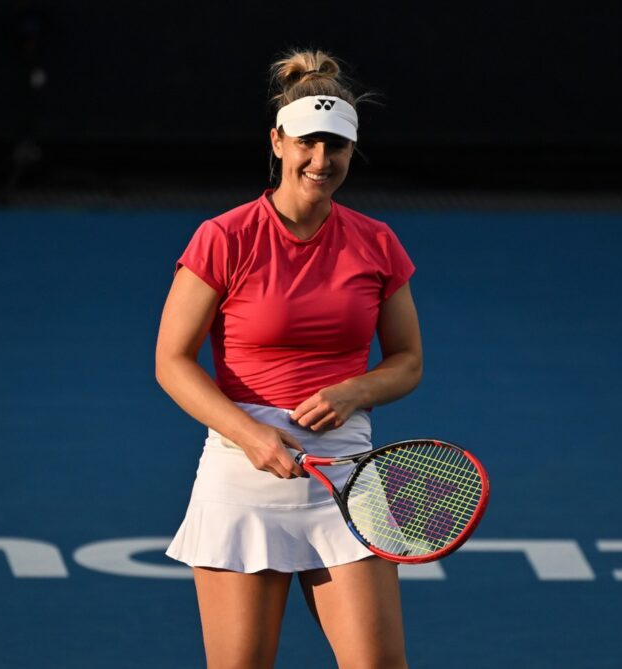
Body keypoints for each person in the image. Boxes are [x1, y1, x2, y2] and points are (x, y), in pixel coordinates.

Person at [156, 48, 422, 669]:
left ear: (353, 152)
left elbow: (407, 360)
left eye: (337, 148)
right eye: (307, 144)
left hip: (348, 474)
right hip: (244, 472)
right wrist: (252, 437)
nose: (320, 162)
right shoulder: (224, 238)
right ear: (277, 141)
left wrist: (354, 391)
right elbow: (172, 360)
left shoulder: (377, 242)